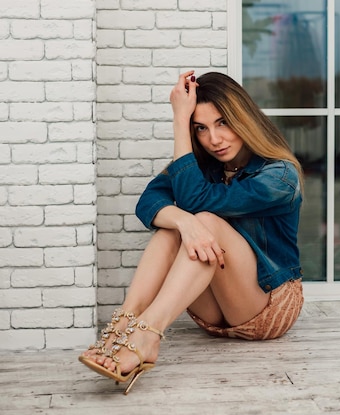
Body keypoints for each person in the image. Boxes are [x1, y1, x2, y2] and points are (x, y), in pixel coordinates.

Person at [79, 71, 304, 394]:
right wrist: (184, 222)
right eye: (200, 128)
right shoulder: (204, 167)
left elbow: (196, 200)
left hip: (267, 305)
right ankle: (126, 321)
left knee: (203, 219)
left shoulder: (280, 175)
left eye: (223, 123)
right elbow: (149, 201)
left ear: (245, 119)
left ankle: (147, 335)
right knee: (175, 226)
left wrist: (178, 118)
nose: (214, 139)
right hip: (215, 313)